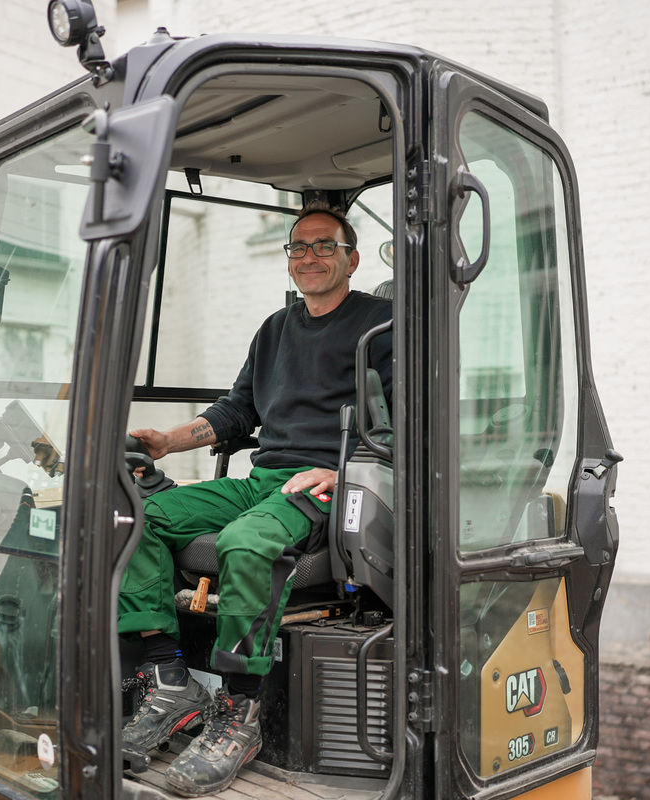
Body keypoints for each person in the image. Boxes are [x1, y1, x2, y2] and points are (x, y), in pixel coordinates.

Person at [118, 201, 392, 796]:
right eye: (299, 247)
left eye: (325, 246)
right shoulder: (276, 328)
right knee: (134, 513)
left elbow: (408, 426)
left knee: (246, 543)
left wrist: (341, 469)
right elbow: (238, 410)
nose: (310, 256)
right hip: (263, 478)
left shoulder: (385, 326)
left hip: (330, 486)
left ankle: (239, 710)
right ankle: (169, 680)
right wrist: (167, 441)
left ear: (352, 258)